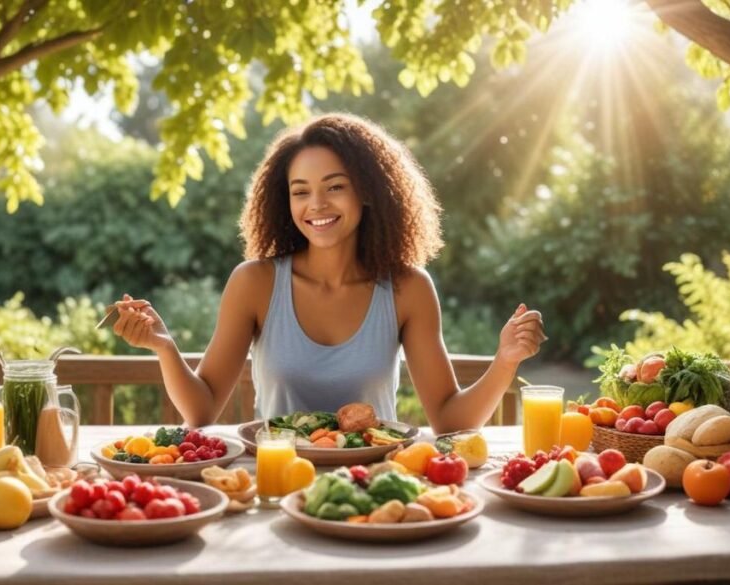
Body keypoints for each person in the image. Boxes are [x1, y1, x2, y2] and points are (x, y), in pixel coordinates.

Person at [112, 113, 546, 433]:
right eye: (300, 192)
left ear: (368, 192)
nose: (316, 205)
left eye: (335, 187)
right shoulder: (254, 283)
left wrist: (505, 361)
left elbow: (449, 420)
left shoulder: (408, 288)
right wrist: (165, 348)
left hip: (370, 482)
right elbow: (202, 410)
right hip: (279, 478)